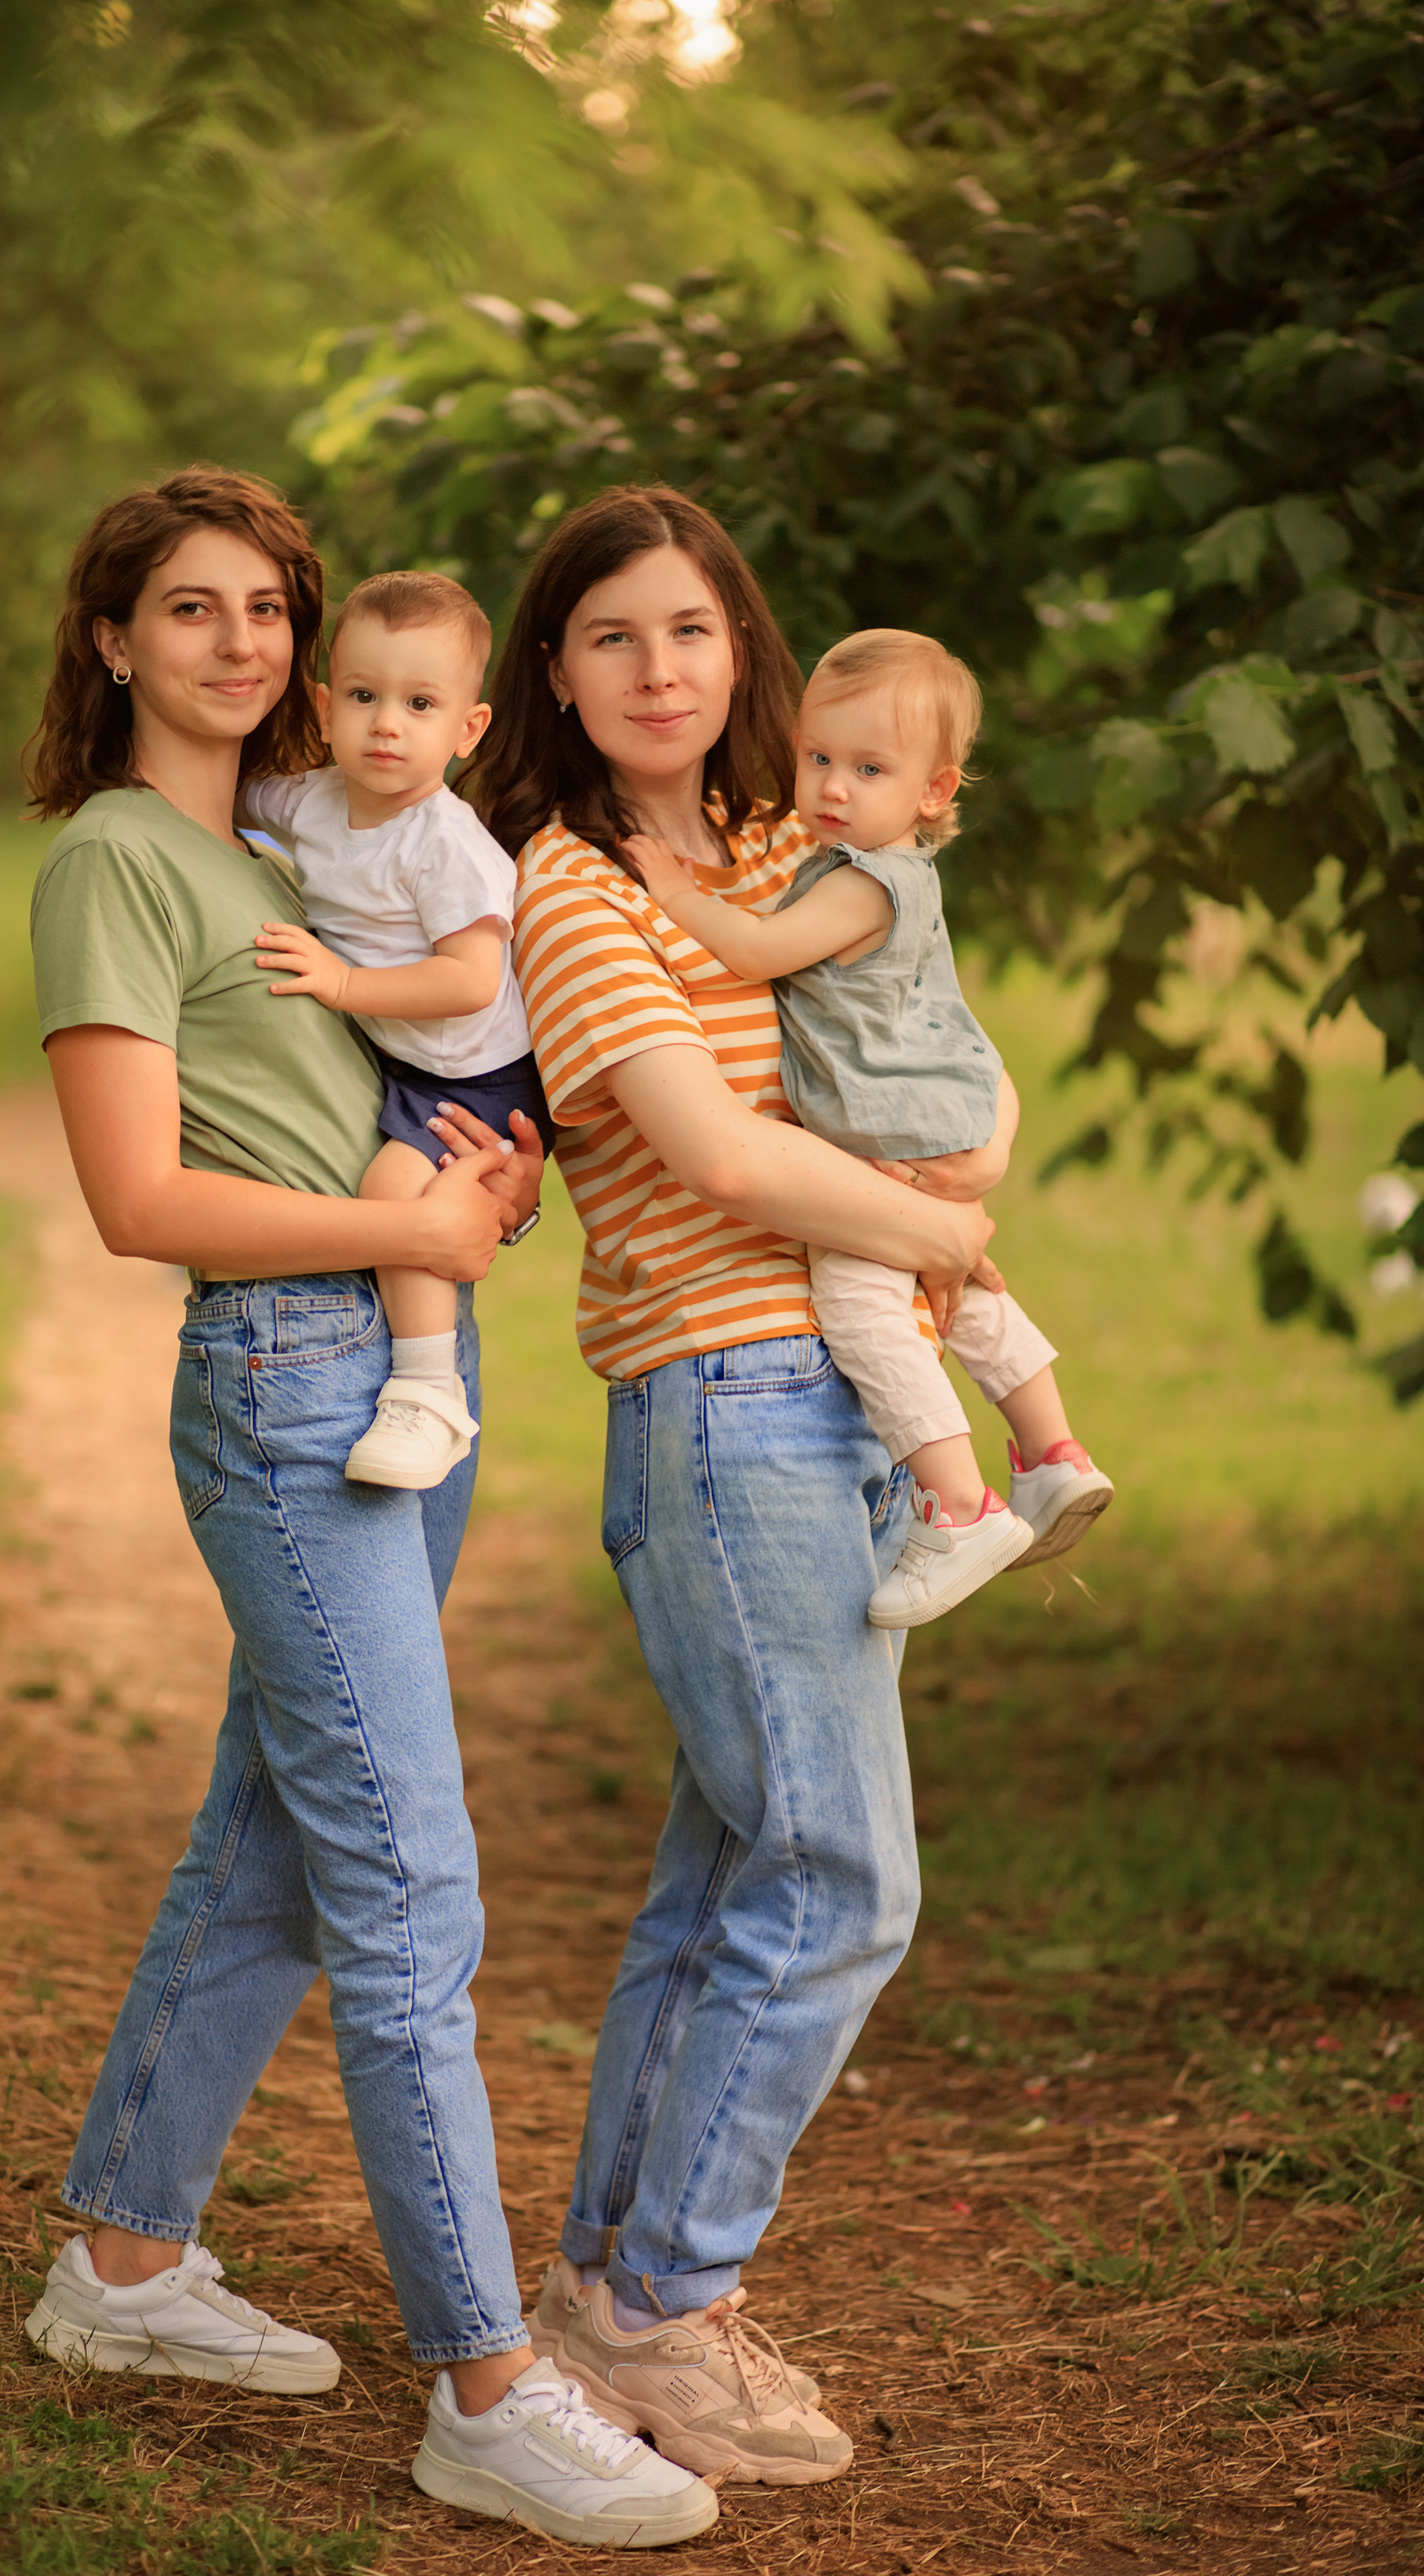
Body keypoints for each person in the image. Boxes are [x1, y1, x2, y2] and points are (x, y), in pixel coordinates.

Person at [17, 465, 719, 2552]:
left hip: (401, 1361)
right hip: (290, 1373)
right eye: (190, 609)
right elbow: (139, 1199)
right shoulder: (118, 863)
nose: (235, 642)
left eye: (265, 610)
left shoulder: (297, 838)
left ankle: (124, 2267)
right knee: (412, 1888)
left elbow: (433, 1069)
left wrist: (473, 1192)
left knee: (280, 1841)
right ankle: (488, 2390)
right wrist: (390, 1216)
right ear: (115, 641)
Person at [461, 483, 995, 2488]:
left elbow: (940, 1037)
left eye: (688, 630)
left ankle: (617, 2287)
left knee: (726, 1881)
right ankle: (670, 2302)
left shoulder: (792, 842)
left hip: (848, 1405)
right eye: (611, 638)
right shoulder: (574, 890)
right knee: (844, 1877)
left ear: (740, 648)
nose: (658, 669)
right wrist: (944, 1235)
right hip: (726, 1403)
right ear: (559, 674)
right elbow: (730, 1159)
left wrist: (966, 1170)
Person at [622, 626, 1113, 1632]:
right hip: (930, 1118)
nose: (834, 787)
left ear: (935, 790)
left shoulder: (863, 881)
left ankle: (959, 1505)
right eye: (819, 759)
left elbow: (758, 950)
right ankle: (1053, 1455)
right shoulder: (874, 866)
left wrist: (670, 892)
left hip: (880, 1134)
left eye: (870, 769)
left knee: (864, 1308)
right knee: (960, 1288)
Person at [239, 570, 554, 1493]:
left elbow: (470, 980)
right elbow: (234, 799)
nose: (387, 725)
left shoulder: (443, 842)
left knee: (395, 1193)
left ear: (468, 729)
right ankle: (422, 1383)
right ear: (326, 704)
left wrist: (342, 982)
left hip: (482, 1076)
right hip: (419, 1061)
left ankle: (429, 1393)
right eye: (367, 697)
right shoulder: (312, 802)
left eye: (420, 704)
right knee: (398, 1193)